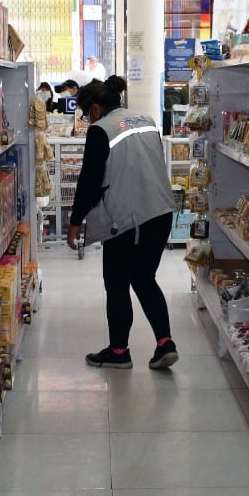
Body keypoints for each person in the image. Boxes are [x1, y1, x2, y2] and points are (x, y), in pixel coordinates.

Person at [67, 76, 180, 370]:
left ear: (94, 108)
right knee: (144, 278)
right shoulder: (145, 120)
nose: (86, 119)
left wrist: (76, 221)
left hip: (130, 220)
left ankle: (119, 352)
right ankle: (165, 343)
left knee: (117, 284)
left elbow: (89, 181)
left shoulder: (100, 130)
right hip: (161, 211)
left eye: (85, 113)